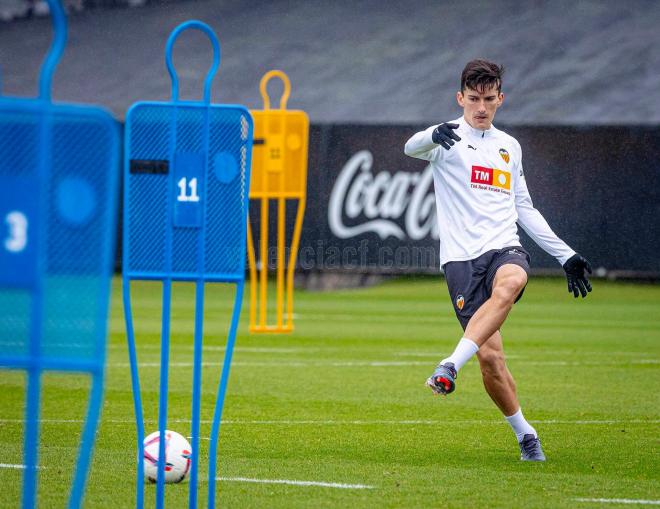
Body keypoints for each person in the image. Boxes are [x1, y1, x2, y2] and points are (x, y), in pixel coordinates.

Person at [403, 59, 592, 462]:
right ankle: (525, 435)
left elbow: (524, 207)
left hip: (505, 248)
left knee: (510, 283)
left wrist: (566, 255)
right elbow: (410, 148)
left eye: (489, 99)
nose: (481, 107)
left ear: (500, 99)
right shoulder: (445, 138)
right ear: (460, 98)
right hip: (460, 261)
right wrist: (430, 135)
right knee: (491, 360)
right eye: (473, 99)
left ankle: (450, 365)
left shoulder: (509, 147)